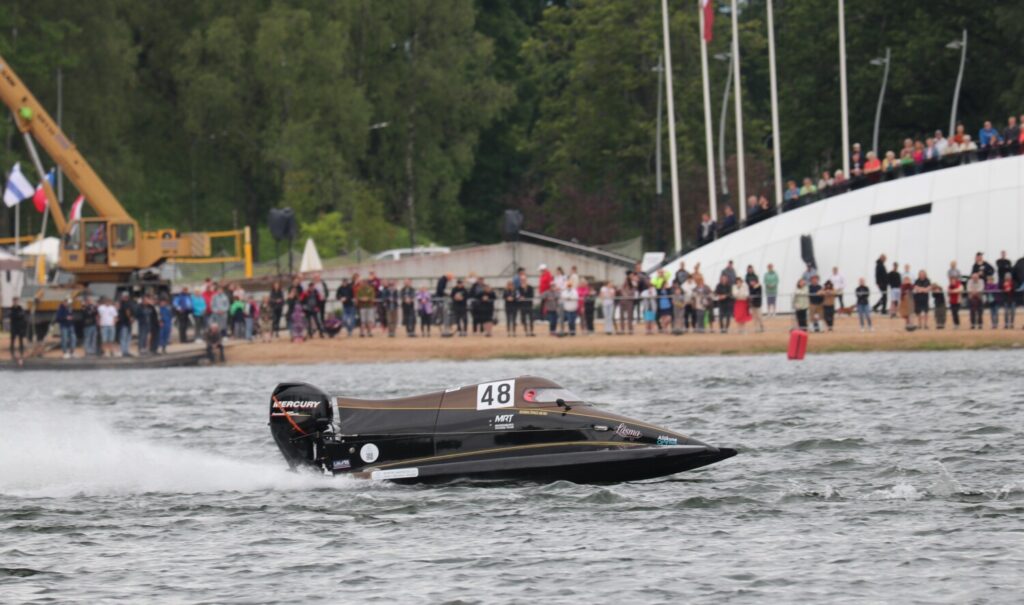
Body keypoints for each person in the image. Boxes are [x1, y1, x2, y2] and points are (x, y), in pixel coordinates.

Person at [8, 296, 27, 366]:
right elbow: (11, 315)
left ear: (17, 301)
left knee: (20, 340)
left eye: (16, 301)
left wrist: (18, 316)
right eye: (14, 301)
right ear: (13, 302)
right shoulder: (11, 309)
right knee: (12, 339)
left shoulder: (20, 308)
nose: (15, 302)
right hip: (13, 327)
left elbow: (23, 315)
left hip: (19, 326)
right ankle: (12, 352)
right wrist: (18, 315)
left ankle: (21, 352)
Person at [518, 272, 535, 337]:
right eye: (522, 280)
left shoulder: (530, 287)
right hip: (522, 305)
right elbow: (517, 296)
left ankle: (531, 331)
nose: (523, 281)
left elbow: (532, 295)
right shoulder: (519, 288)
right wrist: (520, 298)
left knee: (531, 319)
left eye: (524, 279)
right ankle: (526, 331)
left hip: (529, 305)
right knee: (524, 319)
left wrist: (524, 297)